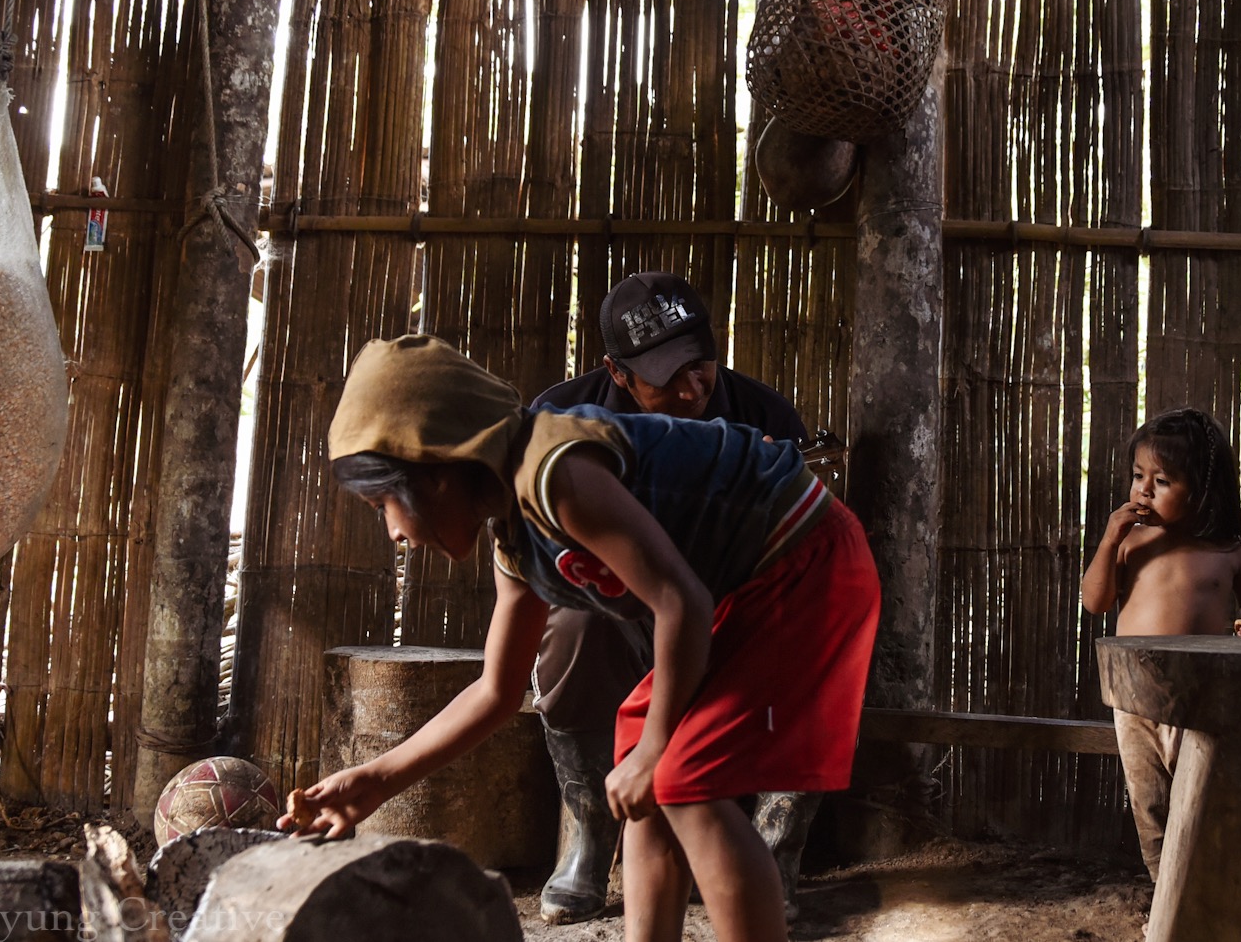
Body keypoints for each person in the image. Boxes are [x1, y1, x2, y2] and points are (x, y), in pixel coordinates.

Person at [282, 334, 879, 942]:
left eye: (384, 502)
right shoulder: (516, 540)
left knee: (679, 777)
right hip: (748, 588)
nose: (392, 532)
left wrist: (656, 753)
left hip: (805, 564)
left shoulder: (556, 471)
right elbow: (496, 691)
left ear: (435, 470)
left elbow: (680, 602)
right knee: (640, 771)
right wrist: (376, 780)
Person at [530, 272, 820, 925]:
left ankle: (776, 853)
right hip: (622, 612)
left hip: (729, 614)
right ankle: (590, 834)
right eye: (667, 374)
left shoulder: (765, 417)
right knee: (574, 627)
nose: (692, 388)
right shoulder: (563, 422)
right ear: (618, 372)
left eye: (700, 363)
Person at [1080, 408, 1241, 882]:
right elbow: (1095, 602)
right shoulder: (1132, 544)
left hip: (1199, 698)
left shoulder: (1228, 551)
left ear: (1202, 490)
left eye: (1161, 480)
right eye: (1138, 476)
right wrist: (1109, 540)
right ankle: (1168, 905)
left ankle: (1206, 895)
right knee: (1151, 808)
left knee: (1202, 800)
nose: (1142, 490)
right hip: (1134, 699)